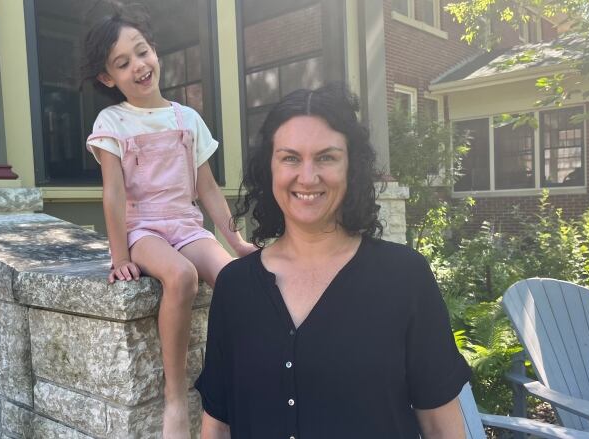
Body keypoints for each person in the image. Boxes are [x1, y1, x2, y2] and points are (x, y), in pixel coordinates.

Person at [196, 83, 472, 438]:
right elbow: (216, 424)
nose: (307, 177)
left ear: (350, 167)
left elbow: (440, 426)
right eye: (290, 157)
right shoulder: (235, 287)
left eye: (326, 157)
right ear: (270, 168)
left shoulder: (404, 278)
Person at [81, 4, 255, 438]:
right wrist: (119, 255)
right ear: (108, 78)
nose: (138, 66)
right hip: (143, 231)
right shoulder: (112, 122)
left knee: (238, 281)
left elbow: (208, 190)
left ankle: (242, 382)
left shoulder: (187, 119)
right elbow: (115, 193)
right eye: (123, 63)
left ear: (154, 50)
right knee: (179, 277)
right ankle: (175, 398)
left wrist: (236, 244)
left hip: (186, 225)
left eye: (141, 53)